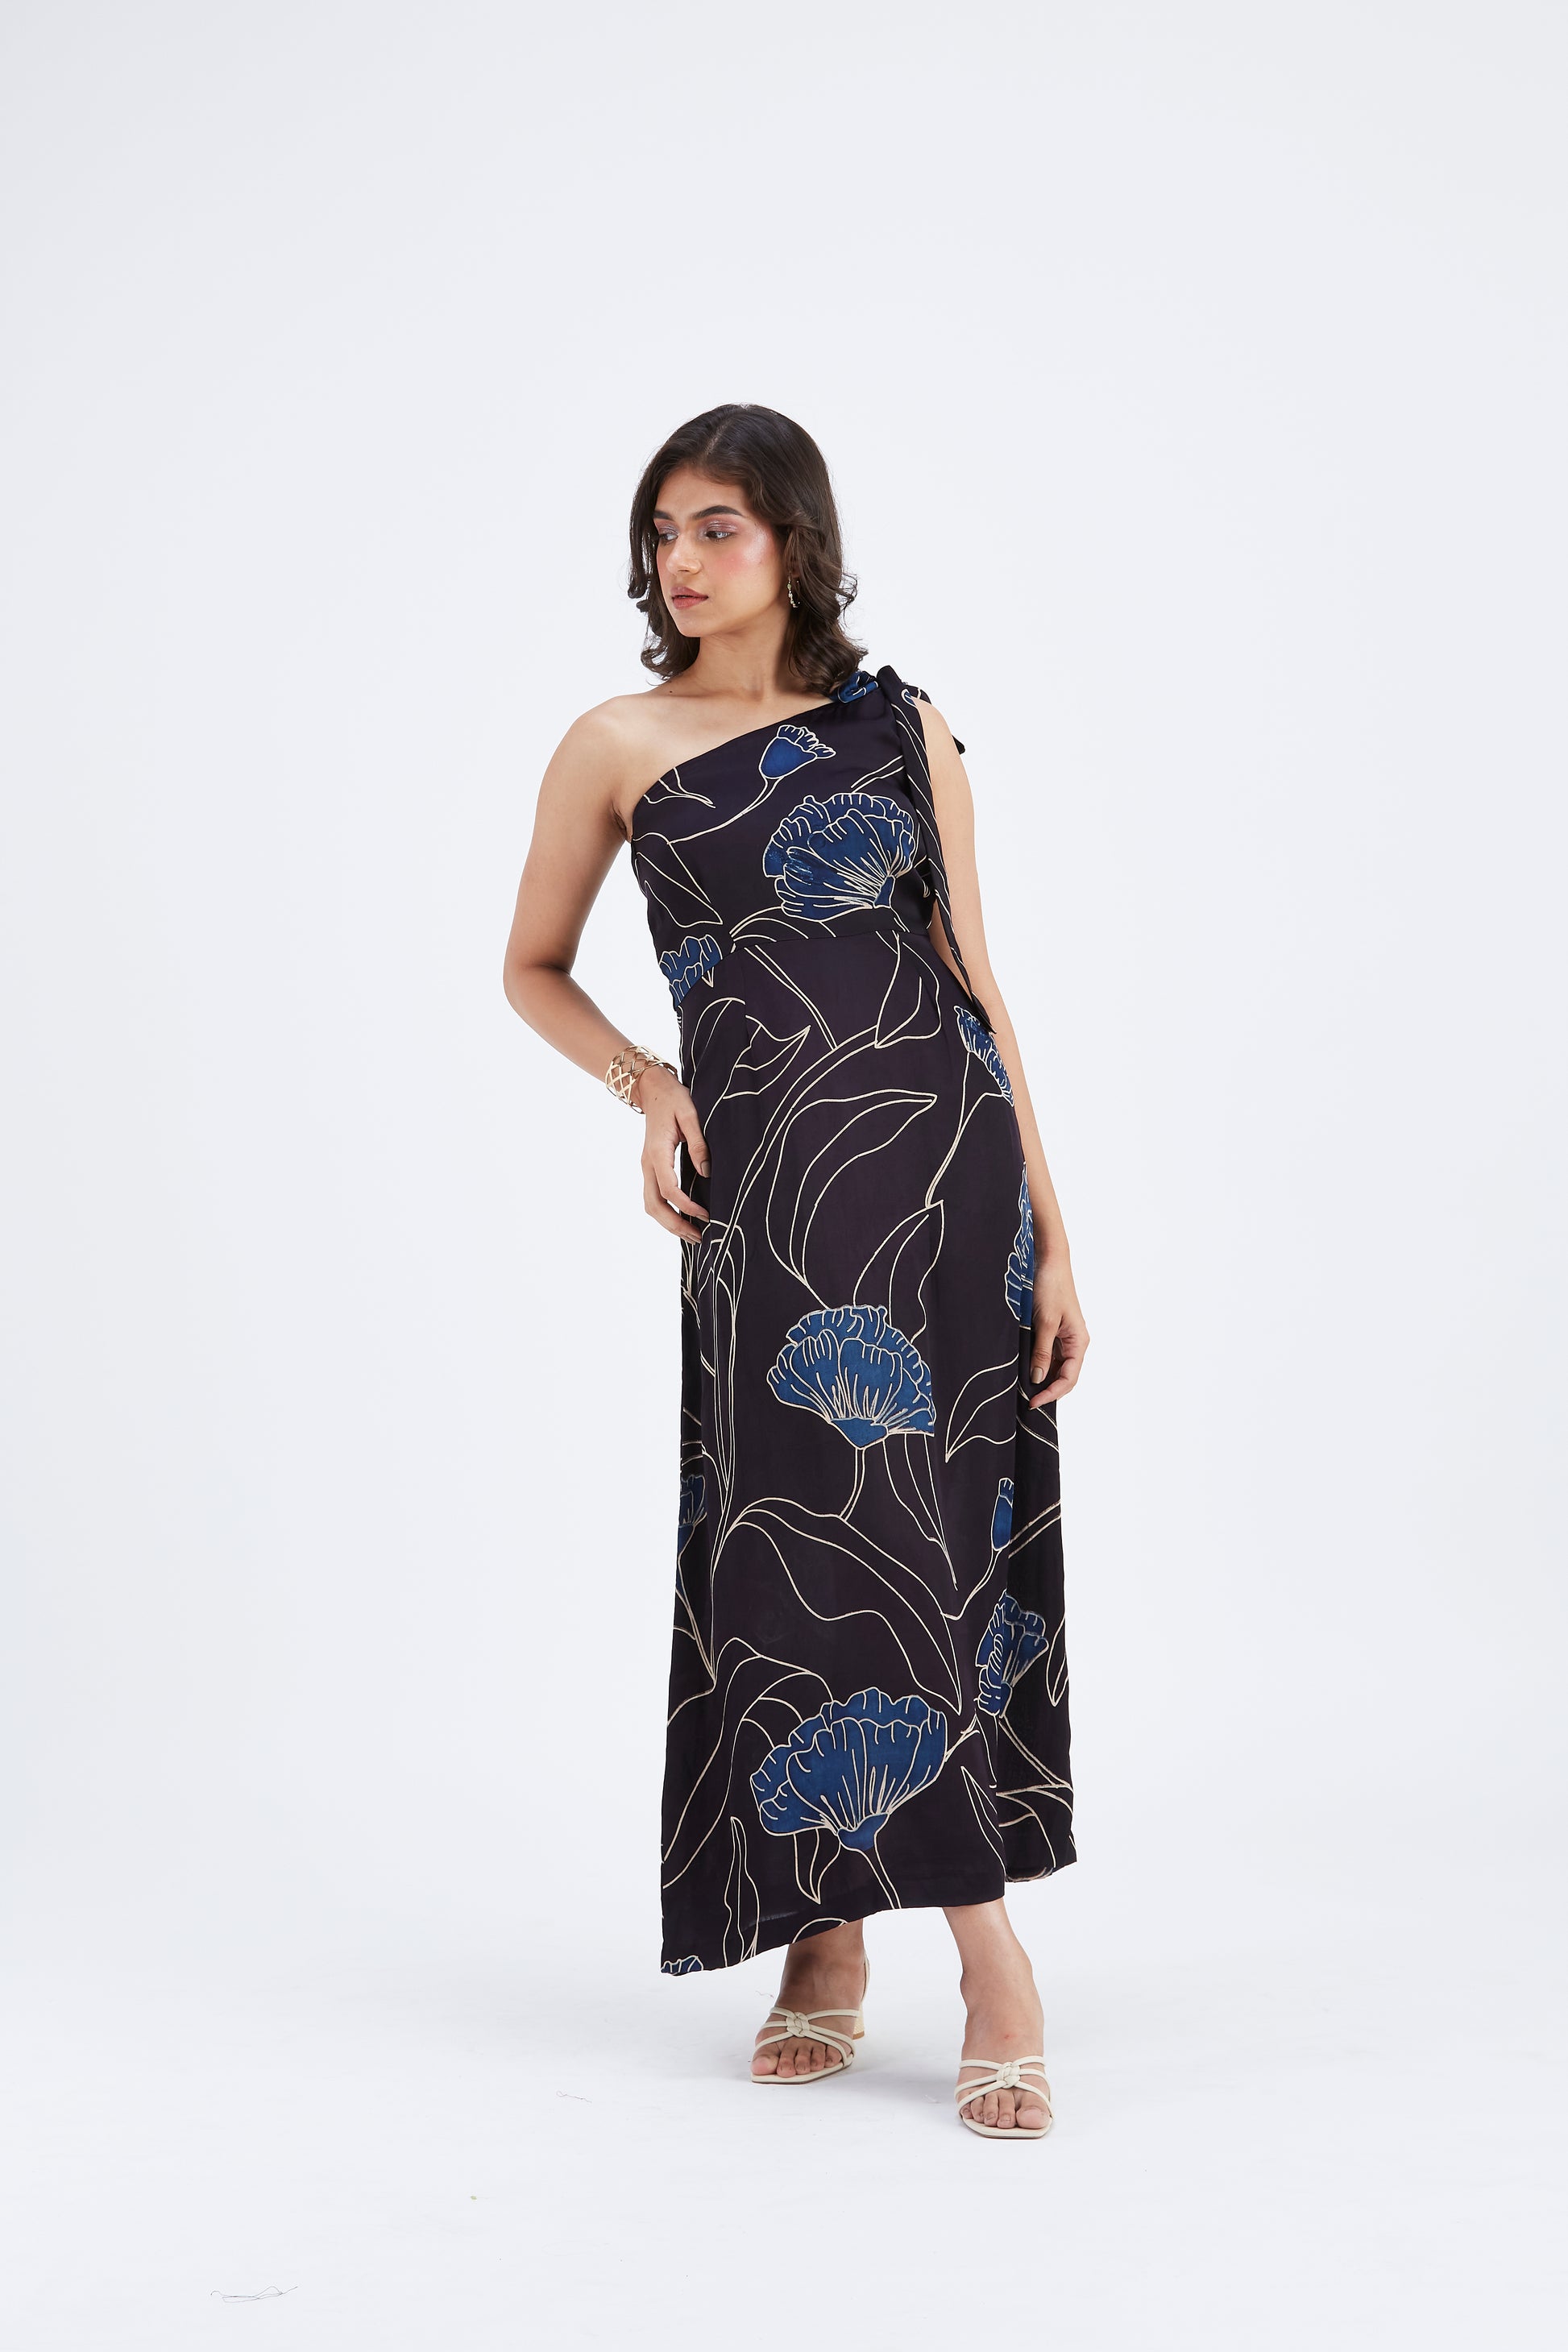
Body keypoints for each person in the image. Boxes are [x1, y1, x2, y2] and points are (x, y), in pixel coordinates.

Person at [502, 405, 1088, 2138]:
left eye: (719, 528)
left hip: (948, 1180)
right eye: (662, 531)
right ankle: (846, 1938)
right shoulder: (615, 741)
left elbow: (974, 975)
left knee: (933, 1544)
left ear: (795, 542)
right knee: (806, 1541)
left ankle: (954, 1951)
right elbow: (530, 966)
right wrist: (649, 1088)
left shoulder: (902, 726)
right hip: (766, 1195)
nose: (681, 561)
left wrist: (1054, 1230)